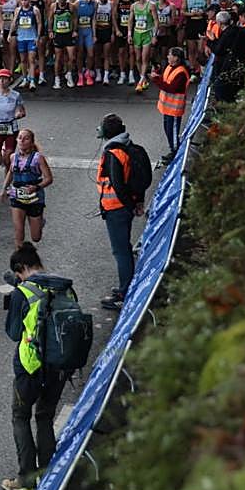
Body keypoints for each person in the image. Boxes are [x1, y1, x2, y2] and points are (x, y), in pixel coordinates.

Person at [2, 243, 72, 490]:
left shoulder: (23, 293)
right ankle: (48, 475)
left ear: (20, 269)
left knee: (20, 417)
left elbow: (12, 333)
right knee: (45, 417)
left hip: (30, 368)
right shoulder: (63, 287)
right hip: (59, 366)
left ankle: (26, 479)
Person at [96, 113, 142, 311]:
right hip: (123, 207)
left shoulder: (113, 153)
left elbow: (117, 183)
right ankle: (126, 287)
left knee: (121, 250)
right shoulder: (127, 146)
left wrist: (127, 205)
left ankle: (125, 292)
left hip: (116, 208)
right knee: (123, 248)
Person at [0, 128, 54, 250]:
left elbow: (49, 178)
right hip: (17, 195)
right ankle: (20, 263)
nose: (22, 141)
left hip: (34, 197)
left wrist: (36, 187)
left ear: (31, 141)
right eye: (20, 138)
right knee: (18, 231)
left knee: (36, 237)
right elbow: (11, 172)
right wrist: (4, 188)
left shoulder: (38, 158)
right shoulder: (13, 157)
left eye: (26, 138)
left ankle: (39, 222)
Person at [149, 46, 190, 160]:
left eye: (170, 54)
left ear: (176, 58)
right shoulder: (170, 67)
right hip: (167, 108)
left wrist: (156, 80)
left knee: (173, 132)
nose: (168, 56)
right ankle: (173, 149)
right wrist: (158, 76)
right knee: (168, 130)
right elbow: (165, 80)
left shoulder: (181, 72)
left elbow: (171, 88)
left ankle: (175, 152)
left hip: (174, 109)